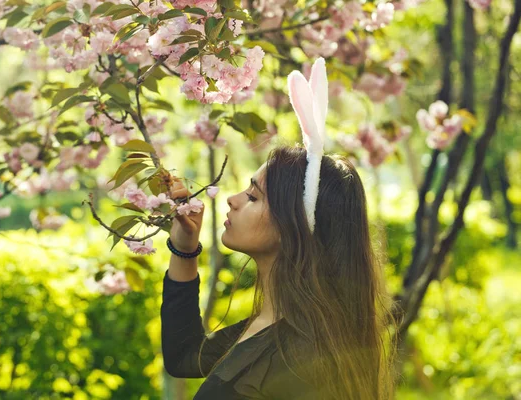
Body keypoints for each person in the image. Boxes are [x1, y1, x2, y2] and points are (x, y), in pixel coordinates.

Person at [161, 58, 395, 399]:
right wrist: (184, 246)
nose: (232, 200)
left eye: (254, 196)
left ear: (292, 226)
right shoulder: (272, 327)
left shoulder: (303, 362)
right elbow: (183, 357)